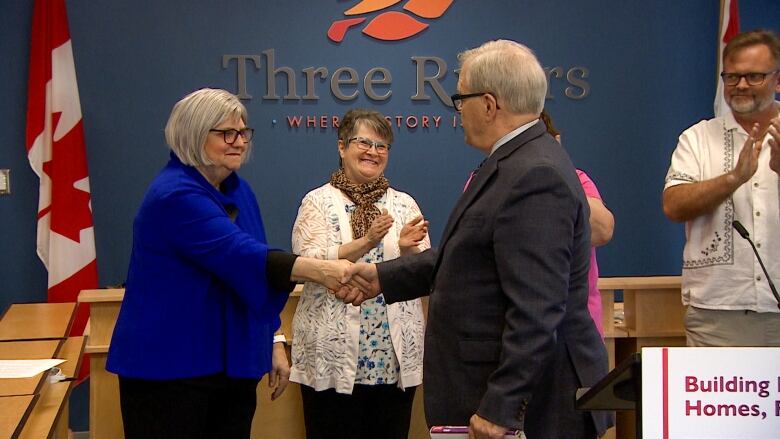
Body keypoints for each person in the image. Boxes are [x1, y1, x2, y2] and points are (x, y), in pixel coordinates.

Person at [338, 40, 611, 439]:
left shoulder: (535, 174)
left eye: (459, 98)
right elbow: (467, 255)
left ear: (488, 104)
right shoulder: (514, 163)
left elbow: (538, 308)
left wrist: (502, 405)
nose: (457, 110)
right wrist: (383, 276)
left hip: (529, 410)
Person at [106, 88, 352, 439]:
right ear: (193, 134)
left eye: (243, 133)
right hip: (171, 369)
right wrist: (324, 271)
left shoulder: (238, 190)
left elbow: (250, 269)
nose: (239, 142)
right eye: (227, 133)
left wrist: (273, 338)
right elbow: (241, 255)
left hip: (229, 365)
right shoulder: (174, 195)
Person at [289, 108, 430, 439]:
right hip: (332, 358)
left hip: (391, 362)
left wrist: (409, 252)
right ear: (342, 147)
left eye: (381, 146)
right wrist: (367, 241)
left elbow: (423, 271)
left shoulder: (404, 204)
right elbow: (308, 262)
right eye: (363, 142)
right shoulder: (317, 202)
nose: (373, 152)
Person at [663, 29, 780, 347]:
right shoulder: (697, 139)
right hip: (717, 315)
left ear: (777, 80)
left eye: (754, 76)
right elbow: (674, 205)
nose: (741, 85)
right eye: (732, 77)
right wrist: (733, 179)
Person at [540, 110, 615, 336]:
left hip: (577, 329)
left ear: (556, 142)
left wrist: (554, 174)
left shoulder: (577, 180)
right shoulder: (485, 180)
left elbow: (602, 230)